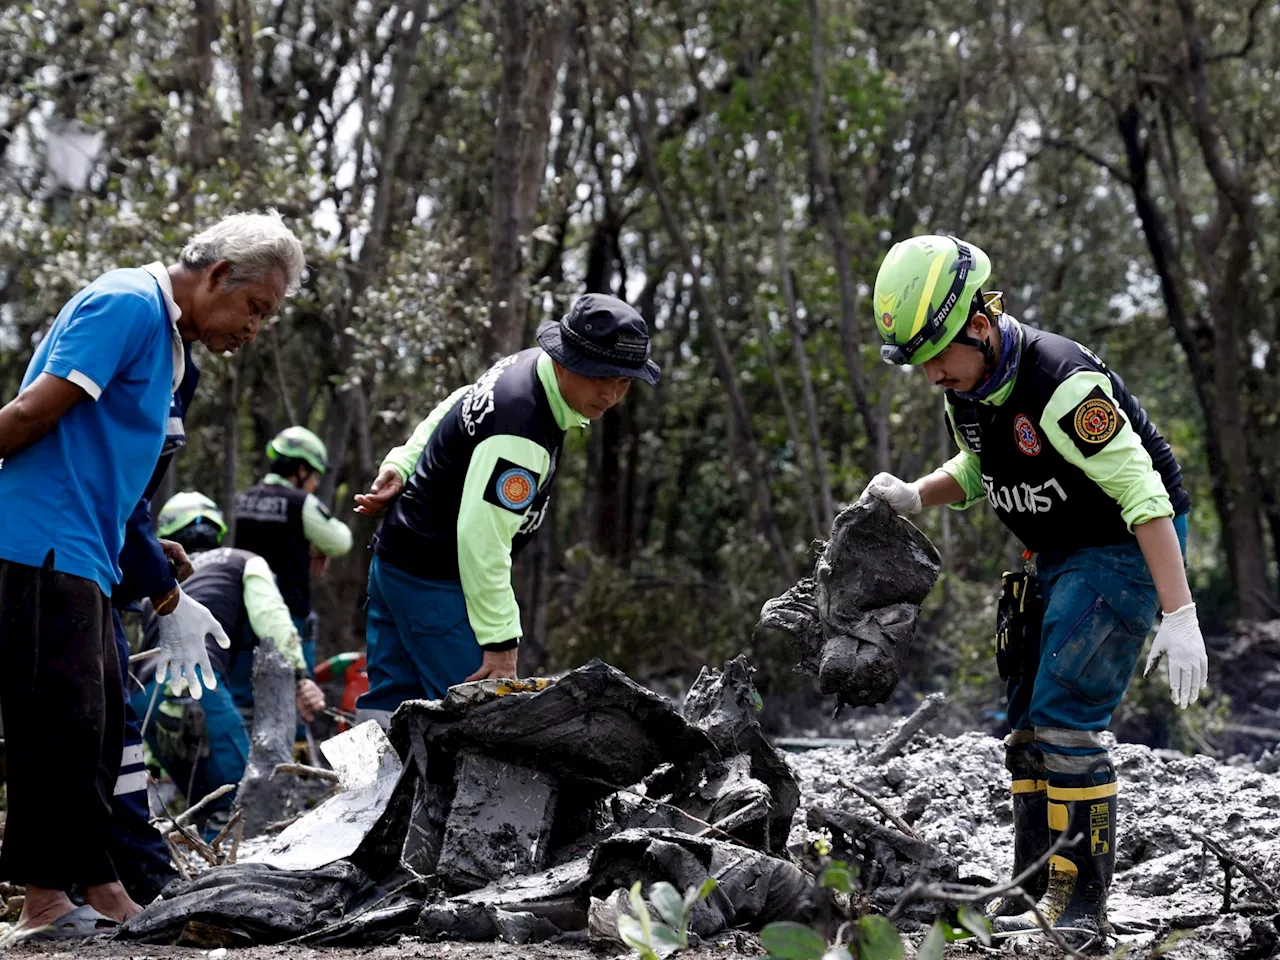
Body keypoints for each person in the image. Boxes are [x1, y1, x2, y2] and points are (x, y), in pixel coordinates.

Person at [862, 234, 1207, 942]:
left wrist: (1180, 612)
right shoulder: (968, 388)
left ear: (980, 328)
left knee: (1066, 721)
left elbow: (1143, 495)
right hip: (1050, 552)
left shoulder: (1063, 384)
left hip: (1122, 547)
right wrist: (913, 496)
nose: (930, 377)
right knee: (1022, 727)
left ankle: (1080, 907)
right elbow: (979, 466)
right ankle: (1030, 884)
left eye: (937, 358)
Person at [0, 211, 304, 939]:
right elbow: (36, 413)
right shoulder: (126, 304)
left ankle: (103, 886)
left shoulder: (175, 355)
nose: (253, 328)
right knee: (60, 726)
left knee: (102, 730)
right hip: (40, 539)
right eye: (254, 307)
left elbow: (117, 475)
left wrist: (147, 553)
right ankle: (43, 904)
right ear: (217, 275)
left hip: (89, 552)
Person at [351, 293, 660, 727]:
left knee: (390, 705)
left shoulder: (528, 365)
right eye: (601, 377)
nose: (611, 394)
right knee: (476, 724)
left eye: (624, 382)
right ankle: (416, 796)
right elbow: (481, 541)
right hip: (435, 584)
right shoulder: (522, 436)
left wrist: (404, 460)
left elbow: (459, 399)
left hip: (396, 560)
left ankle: (367, 794)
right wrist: (500, 641)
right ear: (568, 360)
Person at [131, 493, 326, 833]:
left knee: (209, 804)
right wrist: (301, 676)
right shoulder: (243, 560)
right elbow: (273, 620)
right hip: (196, 686)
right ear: (218, 530)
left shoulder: (160, 585)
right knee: (245, 801)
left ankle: (201, 877)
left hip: (145, 696)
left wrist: (152, 760)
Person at [234, 426, 353, 675]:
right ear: (301, 470)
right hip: (288, 615)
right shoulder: (301, 504)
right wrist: (318, 546)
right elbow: (341, 541)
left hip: (244, 614)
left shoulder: (244, 498)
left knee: (244, 692)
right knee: (295, 692)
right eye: (314, 476)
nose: (315, 483)